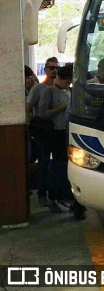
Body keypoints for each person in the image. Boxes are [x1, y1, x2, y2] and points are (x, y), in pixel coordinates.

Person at [26, 56, 59, 206]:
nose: (54, 71)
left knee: (58, 163)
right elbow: (28, 109)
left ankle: (55, 193)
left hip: (58, 131)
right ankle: (42, 193)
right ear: (45, 69)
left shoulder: (61, 89)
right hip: (42, 132)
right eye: (51, 68)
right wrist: (32, 124)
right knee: (43, 163)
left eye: (57, 68)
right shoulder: (38, 88)